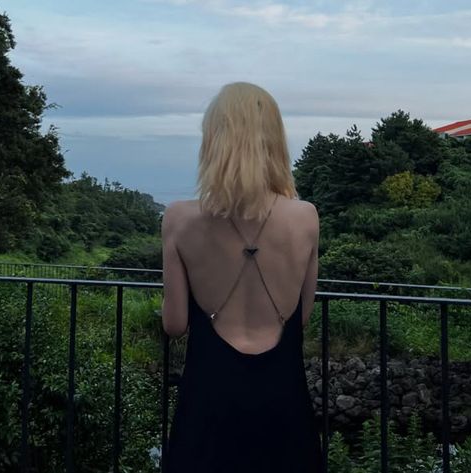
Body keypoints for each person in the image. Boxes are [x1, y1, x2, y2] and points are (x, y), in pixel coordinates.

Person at [161, 82, 322, 473]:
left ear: (214, 140)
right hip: (284, 404)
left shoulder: (179, 218)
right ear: (274, 140)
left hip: (207, 403)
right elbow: (301, 316)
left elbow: (175, 324)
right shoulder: (305, 217)